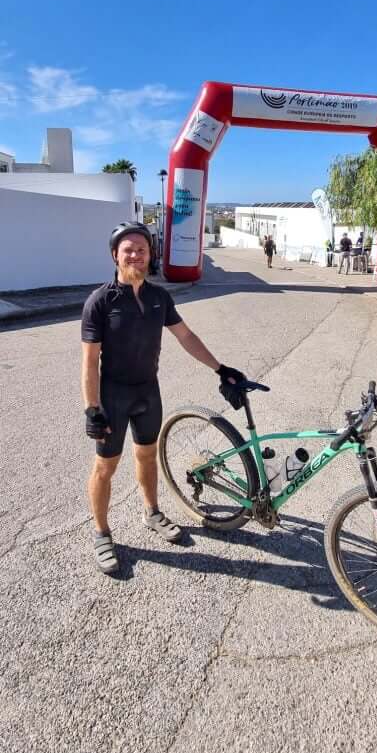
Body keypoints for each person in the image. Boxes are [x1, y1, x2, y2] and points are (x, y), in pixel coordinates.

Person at [81, 222, 245, 574]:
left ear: (149, 255)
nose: (136, 255)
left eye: (142, 249)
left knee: (147, 457)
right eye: (129, 249)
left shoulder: (159, 297)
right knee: (105, 467)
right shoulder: (100, 301)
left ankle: (152, 512)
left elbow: (186, 336)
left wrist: (220, 369)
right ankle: (102, 533)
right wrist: (92, 408)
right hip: (113, 395)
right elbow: (90, 361)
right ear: (115, 255)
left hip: (147, 392)